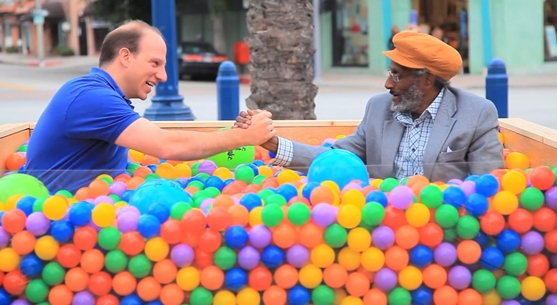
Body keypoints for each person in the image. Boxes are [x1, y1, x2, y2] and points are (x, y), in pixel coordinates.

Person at [25, 20, 276, 194]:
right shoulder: (92, 97)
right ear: (125, 56)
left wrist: (236, 136)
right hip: (61, 219)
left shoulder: (103, 94)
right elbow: (168, 145)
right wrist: (244, 136)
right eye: (155, 62)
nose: (163, 75)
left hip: (95, 203)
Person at [235, 31, 505, 183]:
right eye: (390, 72)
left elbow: (489, 186)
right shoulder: (379, 109)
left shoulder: (476, 113)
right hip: (378, 227)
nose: (388, 83)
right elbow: (332, 157)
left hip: (440, 233)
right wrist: (272, 143)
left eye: (398, 75)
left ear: (427, 79)